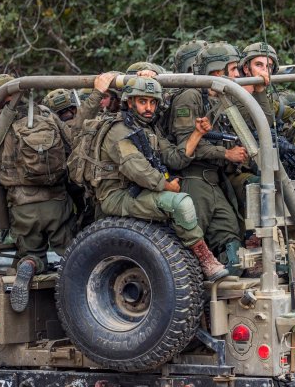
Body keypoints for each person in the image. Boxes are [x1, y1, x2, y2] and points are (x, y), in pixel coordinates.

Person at [96, 76, 228, 281]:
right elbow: (137, 169)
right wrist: (165, 185)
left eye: (152, 102)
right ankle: (205, 259)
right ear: (130, 102)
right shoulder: (119, 130)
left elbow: (175, 158)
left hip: (140, 191)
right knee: (180, 203)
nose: (149, 108)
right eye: (142, 102)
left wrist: (197, 133)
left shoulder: (149, 130)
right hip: (117, 195)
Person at [0, 74, 76, 312]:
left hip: (22, 204)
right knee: (72, 252)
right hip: (57, 200)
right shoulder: (45, 113)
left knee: (32, 253)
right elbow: (71, 146)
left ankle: (29, 265)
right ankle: (79, 295)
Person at [168, 42, 249, 273]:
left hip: (213, 180)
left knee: (230, 234)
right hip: (193, 180)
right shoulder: (190, 96)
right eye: (233, 69)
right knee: (189, 241)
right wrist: (226, 153)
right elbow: (187, 145)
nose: (237, 75)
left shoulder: (217, 99)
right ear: (216, 72)